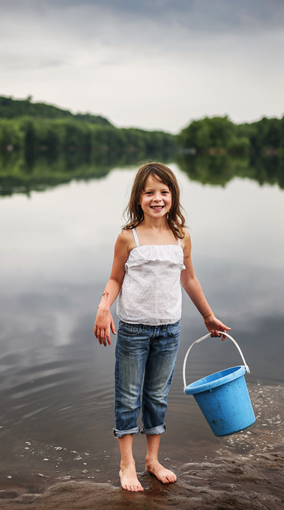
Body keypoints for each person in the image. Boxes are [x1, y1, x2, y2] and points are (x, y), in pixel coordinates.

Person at [93, 161, 231, 492]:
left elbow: (190, 279)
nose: (157, 198)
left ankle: (152, 460)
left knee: (156, 396)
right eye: (149, 192)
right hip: (134, 330)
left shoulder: (181, 237)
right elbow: (115, 278)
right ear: (138, 198)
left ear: (173, 197)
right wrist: (103, 308)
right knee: (128, 396)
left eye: (164, 192)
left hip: (169, 330)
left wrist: (208, 315)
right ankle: (126, 464)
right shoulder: (129, 237)